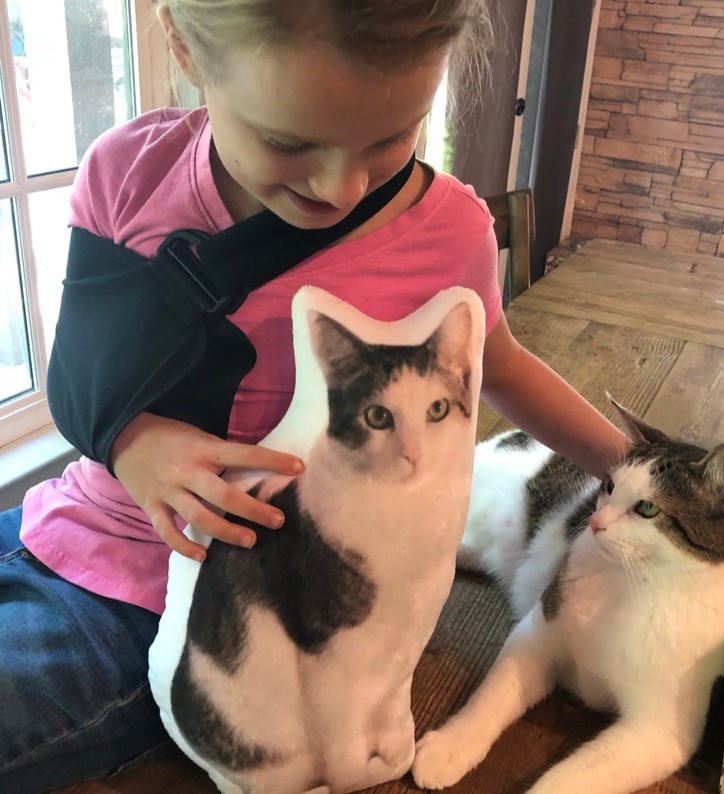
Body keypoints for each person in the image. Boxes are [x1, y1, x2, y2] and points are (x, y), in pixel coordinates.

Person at [0, 2, 629, 792]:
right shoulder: (127, 172)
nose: (342, 185)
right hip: (58, 518)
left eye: (391, 136)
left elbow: (498, 366)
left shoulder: (450, 235)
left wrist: (637, 465)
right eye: (289, 143)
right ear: (183, 46)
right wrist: (131, 445)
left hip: (189, 604)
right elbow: (79, 378)